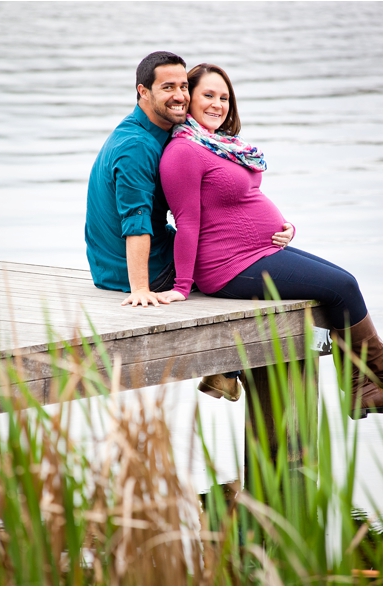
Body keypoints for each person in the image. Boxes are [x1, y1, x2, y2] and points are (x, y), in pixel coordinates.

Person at [157, 63, 382, 419]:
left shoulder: (220, 146)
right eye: (208, 95)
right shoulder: (183, 152)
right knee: (343, 286)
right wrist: (183, 287)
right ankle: (366, 384)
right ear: (189, 100)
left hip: (258, 251)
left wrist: (285, 227)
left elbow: (242, 204)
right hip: (228, 266)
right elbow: (186, 221)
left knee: (340, 280)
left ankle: (363, 383)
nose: (218, 104)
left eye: (224, 97)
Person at [85, 51, 189, 306]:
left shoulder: (146, 128)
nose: (180, 96)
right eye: (168, 87)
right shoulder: (137, 147)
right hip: (152, 272)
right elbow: (136, 218)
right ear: (143, 91)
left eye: (184, 86)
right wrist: (141, 288)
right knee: (244, 257)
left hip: (110, 268)